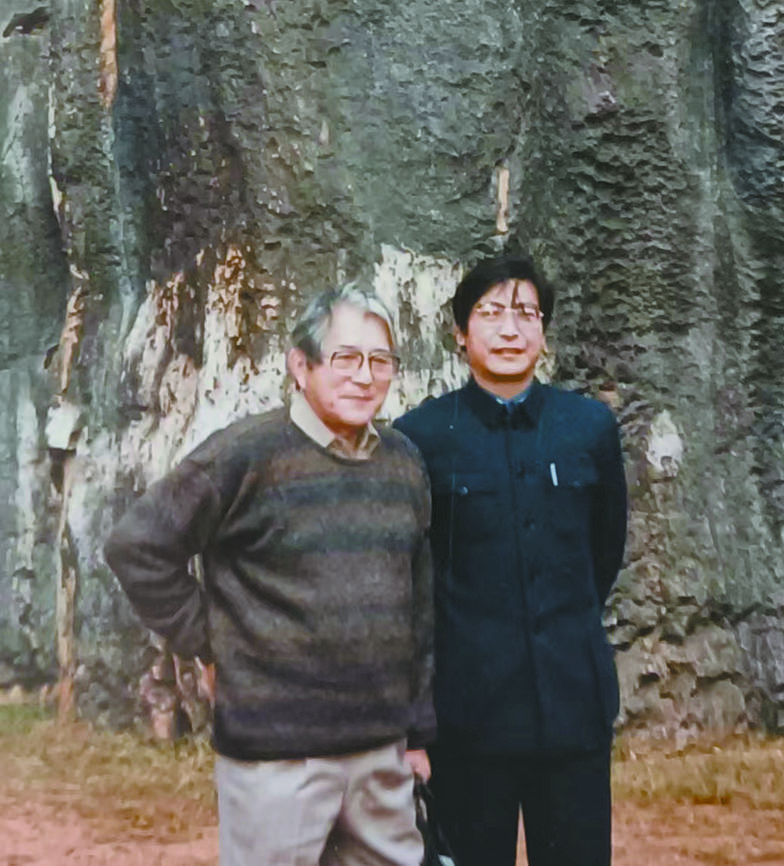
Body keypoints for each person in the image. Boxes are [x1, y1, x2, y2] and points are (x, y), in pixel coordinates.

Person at [105, 284, 435, 866]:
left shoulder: (404, 460)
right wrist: (212, 641)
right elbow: (138, 546)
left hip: (382, 754)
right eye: (346, 358)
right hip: (275, 760)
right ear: (300, 366)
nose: (365, 377)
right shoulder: (243, 455)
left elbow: (419, 605)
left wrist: (418, 733)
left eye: (380, 360)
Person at [394, 254, 628, 866]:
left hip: (572, 706)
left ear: (544, 331)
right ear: (460, 332)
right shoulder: (419, 436)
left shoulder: (588, 427)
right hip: (468, 718)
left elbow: (603, 553)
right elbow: (411, 582)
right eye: (491, 312)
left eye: (526, 313)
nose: (510, 329)